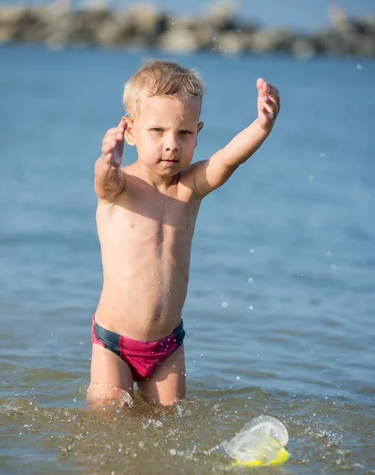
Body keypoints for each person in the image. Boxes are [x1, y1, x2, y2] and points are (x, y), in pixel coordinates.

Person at [89, 59, 280, 408]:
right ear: (130, 132)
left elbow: (226, 160)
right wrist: (108, 160)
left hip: (167, 346)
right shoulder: (122, 187)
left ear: (197, 134)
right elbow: (104, 182)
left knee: (168, 428)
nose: (172, 144)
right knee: (107, 423)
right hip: (114, 342)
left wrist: (262, 126)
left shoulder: (189, 188)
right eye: (157, 131)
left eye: (184, 133)